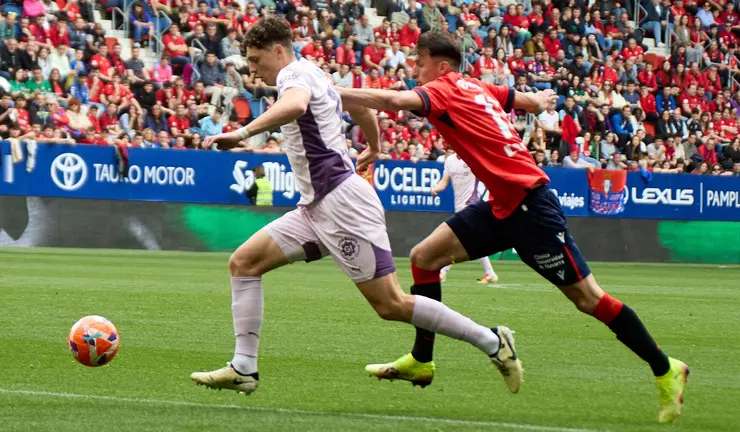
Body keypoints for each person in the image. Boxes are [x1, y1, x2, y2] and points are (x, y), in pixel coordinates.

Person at [336, 32, 688, 424]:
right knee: (424, 257)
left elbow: (390, 101)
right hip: (502, 206)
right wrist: (535, 102)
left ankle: (665, 367)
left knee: (588, 299)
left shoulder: (445, 90)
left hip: (532, 208)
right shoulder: (472, 85)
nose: (414, 70)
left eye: (419, 63)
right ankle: (422, 360)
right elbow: (512, 98)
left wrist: (328, 90)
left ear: (442, 66)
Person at [189, 16, 522, 396]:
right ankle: (244, 367)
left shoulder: (291, 78)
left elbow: (296, 106)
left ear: (278, 51)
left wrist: (244, 132)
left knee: (390, 303)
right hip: (315, 207)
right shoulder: (315, 73)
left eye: (254, 59)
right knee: (244, 264)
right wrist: (375, 146)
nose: (251, 68)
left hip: (341, 204)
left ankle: (492, 341)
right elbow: (361, 108)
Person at [429, 152, 498, 284]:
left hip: (471, 205)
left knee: (455, 239)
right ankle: (490, 273)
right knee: (470, 242)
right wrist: (435, 189)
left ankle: (442, 273)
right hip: (459, 206)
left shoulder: (472, 158)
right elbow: (444, 182)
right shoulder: (450, 160)